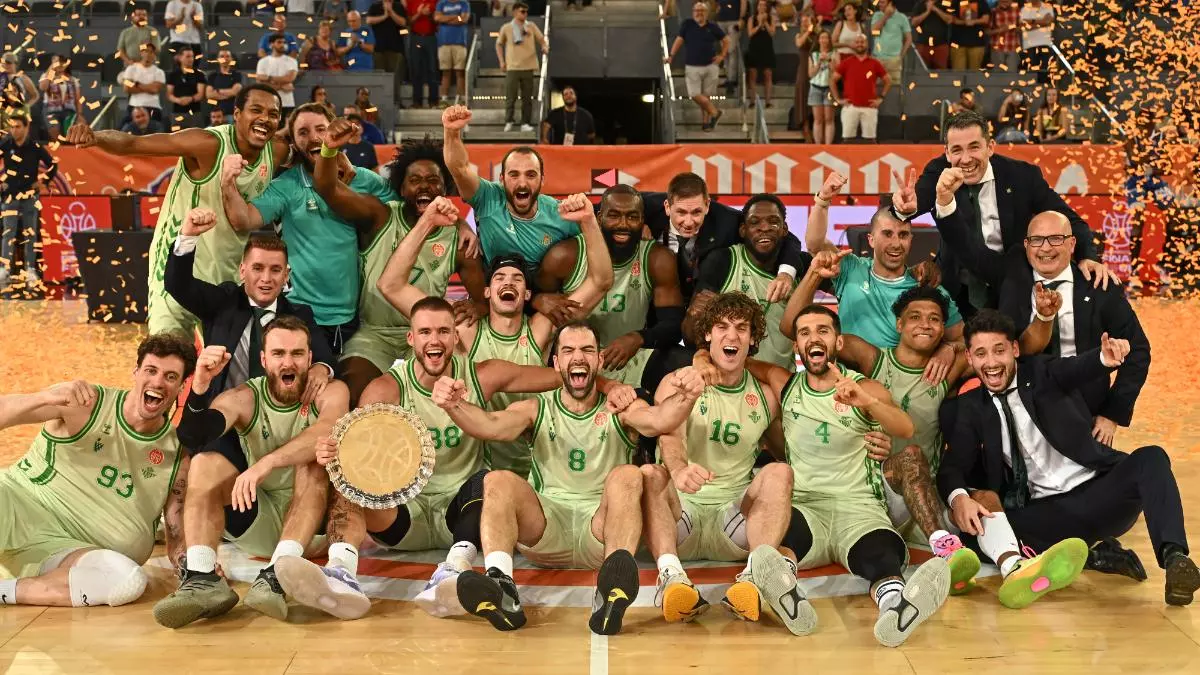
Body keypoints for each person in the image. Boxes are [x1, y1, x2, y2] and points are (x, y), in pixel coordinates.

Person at [277, 288, 586, 619]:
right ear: (411, 338)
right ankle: (341, 571)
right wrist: (333, 452)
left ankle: (454, 570)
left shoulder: (481, 375)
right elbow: (359, 452)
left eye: (442, 331)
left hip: (462, 515)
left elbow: (563, 377)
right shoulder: (386, 388)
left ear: (456, 337)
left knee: (489, 481)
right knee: (349, 480)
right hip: (403, 518)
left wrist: (610, 386)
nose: (434, 340)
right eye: (425, 332)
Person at [432, 322, 706, 635]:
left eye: (587, 350)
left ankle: (611, 588)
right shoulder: (536, 407)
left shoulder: (621, 407)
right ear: (557, 362)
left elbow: (659, 420)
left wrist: (687, 397)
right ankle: (501, 586)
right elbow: (490, 425)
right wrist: (453, 404)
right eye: (568, 351)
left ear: (599, 360)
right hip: (546, 529)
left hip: (600, 530)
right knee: (497, 480)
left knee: (628, 474)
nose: (578, 357)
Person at [715, 302, 950, 646]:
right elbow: (737, 360)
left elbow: (905, 427)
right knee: (779, 545)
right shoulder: (787, 385)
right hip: (807, 507)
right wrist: (700, 359)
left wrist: (867, 403)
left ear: (838, 342)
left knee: (882, 553)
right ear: (796, 345)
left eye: (823, 331)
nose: (814, 338)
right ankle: (786, 590)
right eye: (805, 333)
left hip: (857, 508)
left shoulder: (865, 387)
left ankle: (895, 607)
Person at [941, 310, 1200, 608]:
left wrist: (1103, 359)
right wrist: (959, 498)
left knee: (1151, 457)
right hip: (1048, 513)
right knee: (975, 531)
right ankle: (1094, 556)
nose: (991, 362)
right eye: (981, 354)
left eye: (999, 350)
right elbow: (953, 466)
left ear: (1015, 349)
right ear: (970, 359)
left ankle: (1176, 559)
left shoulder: (1043, 372)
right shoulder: (970, 407)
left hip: (1100, 494)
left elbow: (1078, 368)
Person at [376, 192, 613, 476]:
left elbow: (601, 282)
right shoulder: (463, 327)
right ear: (487, 292)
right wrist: (427, 222)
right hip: (486, 463)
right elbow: (390, 285)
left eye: (517, 279)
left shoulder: (542, 327)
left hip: (541, 459)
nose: (508, 282)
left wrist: (588, 221)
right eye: (500, 278)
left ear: (527, 294)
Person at [153, 317, 351, 628]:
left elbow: (328, 428)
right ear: (263, 359)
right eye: (278, 353)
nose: (288, 362)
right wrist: (200, 387)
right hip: (258, 521)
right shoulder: (244, 397)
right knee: (203, 462)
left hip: (311, 534)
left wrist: (267, 462)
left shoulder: (333, 391)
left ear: (310, 358)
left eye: (297, 353)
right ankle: (203, 578)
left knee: (315, 457)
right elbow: (194, 435)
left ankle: (276, 576)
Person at [67, 84, 290, 336]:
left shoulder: (277, 151)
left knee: (222, 359)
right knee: (168, 352)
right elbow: (133, 143)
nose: (265, 119)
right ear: (237, 114)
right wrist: (95, 136)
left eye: (273, 114)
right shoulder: (207, 144)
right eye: (256, 110)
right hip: (178, 270)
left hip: (227, 273)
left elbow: (307, 156)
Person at [645, 293, 804, 631]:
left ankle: (752, 581)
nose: (731, 336)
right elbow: (669, 436)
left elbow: (787, 453)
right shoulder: (678, 380)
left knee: (779, 472)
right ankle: (672, 578)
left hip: (733, 522)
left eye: (741, 328)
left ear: (752, 339)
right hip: (681, 516)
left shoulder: (766, 397)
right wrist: (679, 470)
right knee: (651, 474)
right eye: (722, 327)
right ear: (707, 335)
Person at [0, 335, 195, 608]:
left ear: (182, 387)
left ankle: (5, 590)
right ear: (136, 372)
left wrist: (196, 567)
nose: (158, 382)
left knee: (128, 580)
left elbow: (176, 533)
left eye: (170, 376)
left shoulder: (178, 453)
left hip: (70, 553)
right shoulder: (87, 402)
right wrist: (44, 396)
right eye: (151, 371)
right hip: (15, 509)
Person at [310, 120, 486, 401]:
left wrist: (477, 306)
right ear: (401, 189)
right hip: (375, 333)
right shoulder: (379, 216)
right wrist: (329, 149)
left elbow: (483, 299)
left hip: (428, 336)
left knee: (448, 395)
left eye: (433, 180)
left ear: (445, 188)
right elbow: (327, 188)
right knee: (351, 391)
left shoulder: (459, 240)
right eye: (414, 180)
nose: (424, 186)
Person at [889, 111, 1115, 318]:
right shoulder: (939, 171)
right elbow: (915, 201)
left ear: (990, 147)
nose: (966, 159)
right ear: (947, 152)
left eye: (974, 147)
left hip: (1012, 282)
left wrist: (1088, 256)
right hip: (956, 283)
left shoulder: (1022, 176)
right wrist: (904, 207)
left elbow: (1069, 219)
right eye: (957, 150)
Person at [217, 104, 395, 356]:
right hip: (302, 315)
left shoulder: (362, 179)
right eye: (303, 132)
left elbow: (406, 208)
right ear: (293, 142)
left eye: (321, 129)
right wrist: (228, 182)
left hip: (356, 316)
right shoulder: (287, 186)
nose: (313, 137)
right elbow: (243, 220)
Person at [999, 212, 1150, 450]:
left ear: (1072, 244)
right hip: (1027, 411)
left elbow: (1138, 351)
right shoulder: (1012, 286)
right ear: (1026, 246)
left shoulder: (1100, 286)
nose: (1045, 248)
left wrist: (1111, 414)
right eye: (1037, 240)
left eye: (1056, 238)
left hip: (1087, 414)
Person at [164, 209, 336, 397]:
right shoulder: (222, 301)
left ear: (286, 276)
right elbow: (178, 284)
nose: (266, 278)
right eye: (258, 268)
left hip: (277, 409)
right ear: (242, 271)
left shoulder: (299, 314)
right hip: (221, 407)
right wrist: (188, 236)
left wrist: (321, 367)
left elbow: (325, 355)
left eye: (275, 270)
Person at [790, 173, 963, 359]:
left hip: (903, 376)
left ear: (911, 239)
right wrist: (823, 201)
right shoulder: (851, 268)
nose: (896, 244)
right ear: (871, 240)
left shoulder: (926, 286)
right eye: (887, 234)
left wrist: (949, 348)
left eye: (903, 235)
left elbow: (961, 339)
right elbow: (815, 245)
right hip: (849, 374)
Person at [536, 185, 685, 389]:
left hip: (629, 355)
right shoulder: (565, 256)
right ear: (599, 218)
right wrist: (537, 300)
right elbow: (532, 309)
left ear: (642, 221)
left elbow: (674, 324)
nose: (623, 224)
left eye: (632, 217)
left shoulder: (657, 258)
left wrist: (638, 338)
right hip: (574, 358)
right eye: (614, 216)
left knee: (684, 361)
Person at [441, 105, 578, 268]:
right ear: (502, 179)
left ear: (542, 180)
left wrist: (586, 213)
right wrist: (451, 132)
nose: (522, 183)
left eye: (531, 175)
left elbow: (596, 242)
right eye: (514, 175)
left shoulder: (560, 214)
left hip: (541, 284)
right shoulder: (487, 197)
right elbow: (459, 169)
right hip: (494, 282)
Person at [642, 172, 806, 304]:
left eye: (697, 212)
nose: (689, 222)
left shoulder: (726, 220)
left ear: (707, 205)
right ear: (667, 207)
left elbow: (786, 238)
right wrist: (637, 224)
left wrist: (786, 274)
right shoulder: (642, 207)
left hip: (702, 302)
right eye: (681, 212)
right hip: (653, 304)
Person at [683, 194, 802, 371]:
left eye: (773, 221)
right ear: (743, 230)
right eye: (754, 222)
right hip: (729, 380)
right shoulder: (722, 261)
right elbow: (690, 338)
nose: (764, 228)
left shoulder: (799, 266)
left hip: (780, 380)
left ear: (784, 229)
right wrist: (693, 317)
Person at [0, 112, 57, 288]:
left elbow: (53, 164)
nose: (14, 130)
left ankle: (30, 269)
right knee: (8, 233)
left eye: (18, 127)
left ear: (26, 128)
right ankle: (4, 269)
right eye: (12, 127)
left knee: (30, 233)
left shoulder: (35, 147)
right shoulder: (5, 144)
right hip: (10, 195)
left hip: (30, 195)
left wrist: (43, 181)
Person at [665, 1, 728, 132]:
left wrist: (722, 55)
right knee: (694, 94)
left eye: (702, 11)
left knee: (706, 96)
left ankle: (706, 123)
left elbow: (726, 40)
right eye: (696, 10)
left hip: (711, 66)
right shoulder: (687, 24)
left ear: (707, 13)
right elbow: (679, 40)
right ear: (693, 12)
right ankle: (715, 112)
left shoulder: (712, 26)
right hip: (692, 66)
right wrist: (671, 55)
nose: (699, 13)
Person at [496, 2, 548, 132]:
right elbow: (499, 44)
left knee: (527, 98)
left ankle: (525, 122)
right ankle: (509, 121)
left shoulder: (531, 26)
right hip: (512, 67)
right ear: (514, 12)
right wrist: (501, 61)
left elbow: (542, 39)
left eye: (526, 12)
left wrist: (544, 46)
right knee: (510, 97)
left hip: (528, 66)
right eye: (522, 11)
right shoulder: (506, 27)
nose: (525, 14)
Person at [833, 34, 889, 142]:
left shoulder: (875, 63)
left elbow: (888, 80)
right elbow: (832, 80)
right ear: (853, 44)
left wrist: (881, 98)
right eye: (857, 42)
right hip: (850, 106)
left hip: (869, 107)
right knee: (847, 140)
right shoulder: (846, 63)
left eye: (862, 42)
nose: (860, 44)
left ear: (867, 44)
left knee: (870, 140)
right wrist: (837, 99)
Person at [367, 0, 408, 104]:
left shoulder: (398, 6)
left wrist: (391, 12)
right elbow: (369, 20)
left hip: (395, 48)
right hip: (378, 49)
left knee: (395, 77)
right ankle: (380, 102)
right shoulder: (375, 6)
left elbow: (403, 22)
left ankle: (395, 102)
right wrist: (385, 16)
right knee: (379, 77)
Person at [118, 42, 166, 123]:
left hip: (153, 107)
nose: (148, 54)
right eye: (146, 51)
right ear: (141, 53)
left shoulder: (159, 72)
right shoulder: (131, 69)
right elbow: (127, 88)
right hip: (134, 106)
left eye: (151, 52)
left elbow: (155, 89)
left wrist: (136, 84)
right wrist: (148, 87)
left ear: (154, 55)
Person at [435, 0, 470, 107]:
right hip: (444, 43)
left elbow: (464, 19)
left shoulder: (464, 3)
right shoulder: (441, 3)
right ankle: (444, 100)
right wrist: (455, 17)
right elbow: (437, 18)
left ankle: (461, 99)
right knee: (445, 72)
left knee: (460, 72)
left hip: (459, 43)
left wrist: (445, 18)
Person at [38, 55, 82, 140]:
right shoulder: (47, 76)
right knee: (55, 133)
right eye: (55, 63)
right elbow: (43, 87)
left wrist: (80, 114)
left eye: (61, 63)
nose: (58, 65)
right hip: (51, 110)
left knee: (72, 134)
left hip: (69, 111)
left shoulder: (72, 79)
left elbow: (78, 99)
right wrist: (51, 69)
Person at [256, 35, 299, 120]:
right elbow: (260, 83)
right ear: (271, 44)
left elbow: (290, 78)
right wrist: (281, 86)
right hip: (268, 102)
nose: (282, 45)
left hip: (287, 102)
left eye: (284, 42)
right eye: (279, 42)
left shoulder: (292, 61)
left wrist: (268, 78)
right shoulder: (263, 62)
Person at [407, 0, 440, 108]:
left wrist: (429, 15)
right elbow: (408, 22)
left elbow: (438, 20)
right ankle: (417, 101)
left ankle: (433, 101)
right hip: (415, 37)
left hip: (430, 37)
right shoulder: (411, 1)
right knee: (416, 70)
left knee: (432, 69)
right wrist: (419, 13)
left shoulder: (435, 1)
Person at [870, 0, 911, 86]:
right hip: (878, 59)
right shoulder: (877, 15)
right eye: (879, 2)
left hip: (894, 60)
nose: (879, 4)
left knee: (894, 89)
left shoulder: (902, 17)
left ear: (891, 4)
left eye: (882, 2)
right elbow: (874, 32)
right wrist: (886, 16)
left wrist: (901, 56)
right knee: (876, 88)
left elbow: (908, 39)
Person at [166, 46, 207, 129]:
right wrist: (178, 100)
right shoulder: (173, 75)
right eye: (188, 56)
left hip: (195, 113)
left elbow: (201, 94)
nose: (191, 59)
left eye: (192, 56)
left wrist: (190, 99)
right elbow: (169, 94)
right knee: (176, 136)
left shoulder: (199, 74)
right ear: (180, 58)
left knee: (196, 136)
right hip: (177, 113)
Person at [744, 1, 776, 106]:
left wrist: (765, 22)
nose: (762, 7)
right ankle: (752, 101)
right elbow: (750, 33)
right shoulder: (751, 19)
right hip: (754, 48)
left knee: (768, 74)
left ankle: (768, 101)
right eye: (760, 5)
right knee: (752, 75)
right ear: (757, 6)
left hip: (767, 48)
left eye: (764, 5)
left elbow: (772, 33)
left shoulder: (771, 18)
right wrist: (759, 25)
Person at [713, 0, 747, 99]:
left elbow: (743, 2)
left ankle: (732, 79)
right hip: (721, 19)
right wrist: (717, 10)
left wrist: (741, 18)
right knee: (725, 51)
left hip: (734, 19)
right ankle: (728, 76)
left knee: (732, 50)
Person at [808, 30, 835, 145]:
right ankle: (818, 145)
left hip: (829, 88)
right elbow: (810, 74)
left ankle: (828, 145)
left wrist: (829, 61)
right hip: (815, 87)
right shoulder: (813, 55)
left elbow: (837, 71)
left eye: (826, 38)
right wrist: (818, 63)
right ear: (818, 40)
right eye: (822, 38)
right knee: (818, 119)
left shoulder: (834, 54)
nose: (824, 40)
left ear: (829, 40)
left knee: (829, 118)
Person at [909, 0, 952, 70]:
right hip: (923, 44)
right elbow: (913, 22)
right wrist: (927, 12)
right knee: (922, 70)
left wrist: (935, 9)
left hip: (941, 44)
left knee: (941, 71)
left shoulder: (945, 3)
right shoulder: (920, 4)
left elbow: (949, 20)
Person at [947, 0, 989, 71]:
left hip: (977, 44)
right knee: (958, 73)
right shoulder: (955, 2)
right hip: (957, 43)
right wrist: (964, 22)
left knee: (974, 72)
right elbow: (951, 19)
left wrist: (973, 21)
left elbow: (986, 19)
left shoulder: (982, 2)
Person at [1019, 0, 1055, 81]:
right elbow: (1022, 24)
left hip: (1045, 42)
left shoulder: (1047, 7)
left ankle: (1043, 83)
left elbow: (1048, 21)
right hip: (1030, 43)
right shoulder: (1025, 8)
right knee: (1031, 67)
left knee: (1045, 66)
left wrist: (1031, 21)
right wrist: (1041, 23)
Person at [0, 52, 38, 128]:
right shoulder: (1, 78)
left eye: (8, 63)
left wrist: (27, 106)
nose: (6, 65)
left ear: (15, 64)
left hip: (18, 112)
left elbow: (35, 95)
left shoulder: (23, 78)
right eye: (4, 63)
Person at [205, 50, 244, 118]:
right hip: (215, 115)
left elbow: (235, 92)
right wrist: (229, 93)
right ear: (218, 59)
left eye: (227, 56)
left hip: (232, 114)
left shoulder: (237, 75)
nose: (225, 58)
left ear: (231, 59)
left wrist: (217, 91)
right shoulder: (212, 76)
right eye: (222, 56)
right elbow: (208, 94)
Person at [986, 0, 1021, 72]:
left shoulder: (1017, 11)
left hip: (1013, 47)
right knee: (997, 73)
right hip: (997, 47)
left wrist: (1012, 27)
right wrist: (1000, 30)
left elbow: (1023, 28)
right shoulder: (993, 12)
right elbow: (987, 32)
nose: (1004, 1)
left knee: (1012, 73)